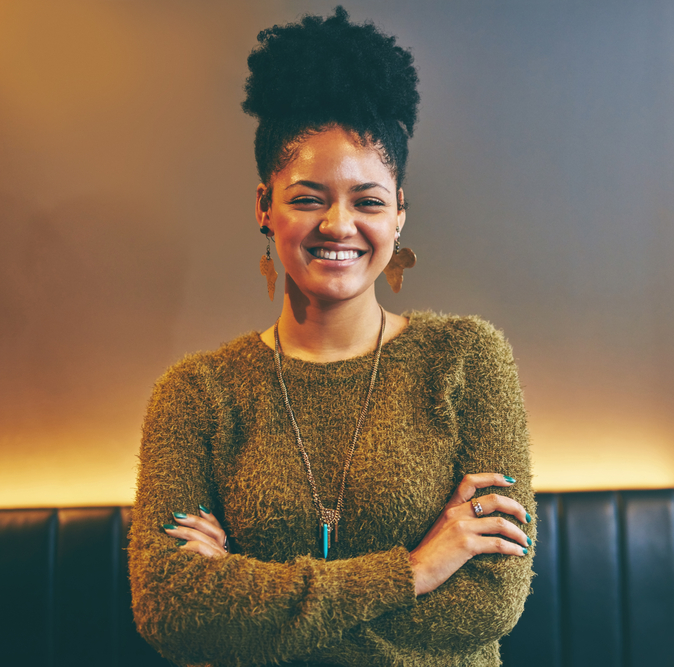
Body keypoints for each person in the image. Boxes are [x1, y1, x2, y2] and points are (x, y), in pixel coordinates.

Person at [128, 8, 535, 667]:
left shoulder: (466, 360)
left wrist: (248, 600)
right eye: (309, 197)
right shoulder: (196, 393)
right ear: (265, 206)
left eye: (368, 201)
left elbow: (491, 598)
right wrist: (417, 568)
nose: (339, 224)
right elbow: (171, 608)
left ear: (400, 212)